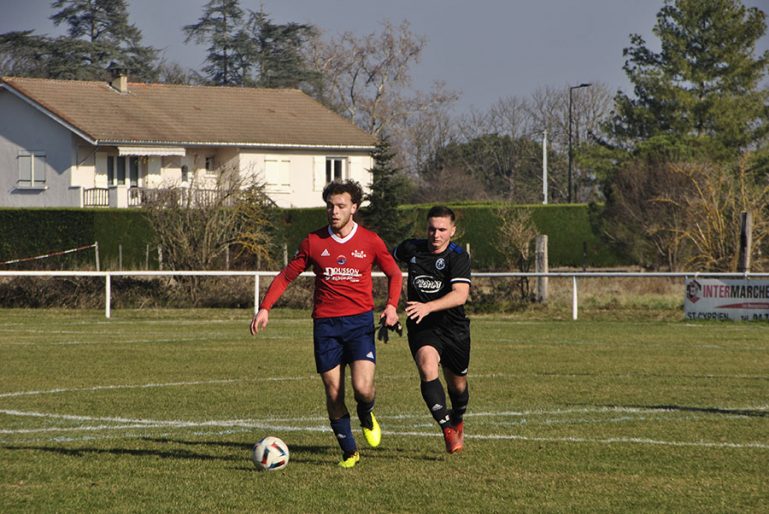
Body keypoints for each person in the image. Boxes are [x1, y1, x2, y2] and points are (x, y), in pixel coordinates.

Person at [250, 179, 402, 468]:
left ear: (353, 208)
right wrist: (265, 308)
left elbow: (395, 274)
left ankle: (366, 414)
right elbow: (286, 276)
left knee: (363, 388)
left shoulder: (371, 241)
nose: (334, 211)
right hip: (326, 326)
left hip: (359, 324)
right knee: (333, 391)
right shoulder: (313, 241)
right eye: (330, 206)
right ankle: (349, 451)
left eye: (341, 206)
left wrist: (392, 306)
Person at [393, 206, 471, 453]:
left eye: (441, 230)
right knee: (427, 367)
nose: (435, 235)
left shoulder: (458, 256)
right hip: (422, 325)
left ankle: (457, 417)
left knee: (457, 385)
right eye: (431, 229)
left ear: (452, 231)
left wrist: (429, 306)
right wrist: (390, 306)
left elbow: (460, 295)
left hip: (454, 328)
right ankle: (447, 429)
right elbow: (382, 259)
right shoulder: (411, 248)